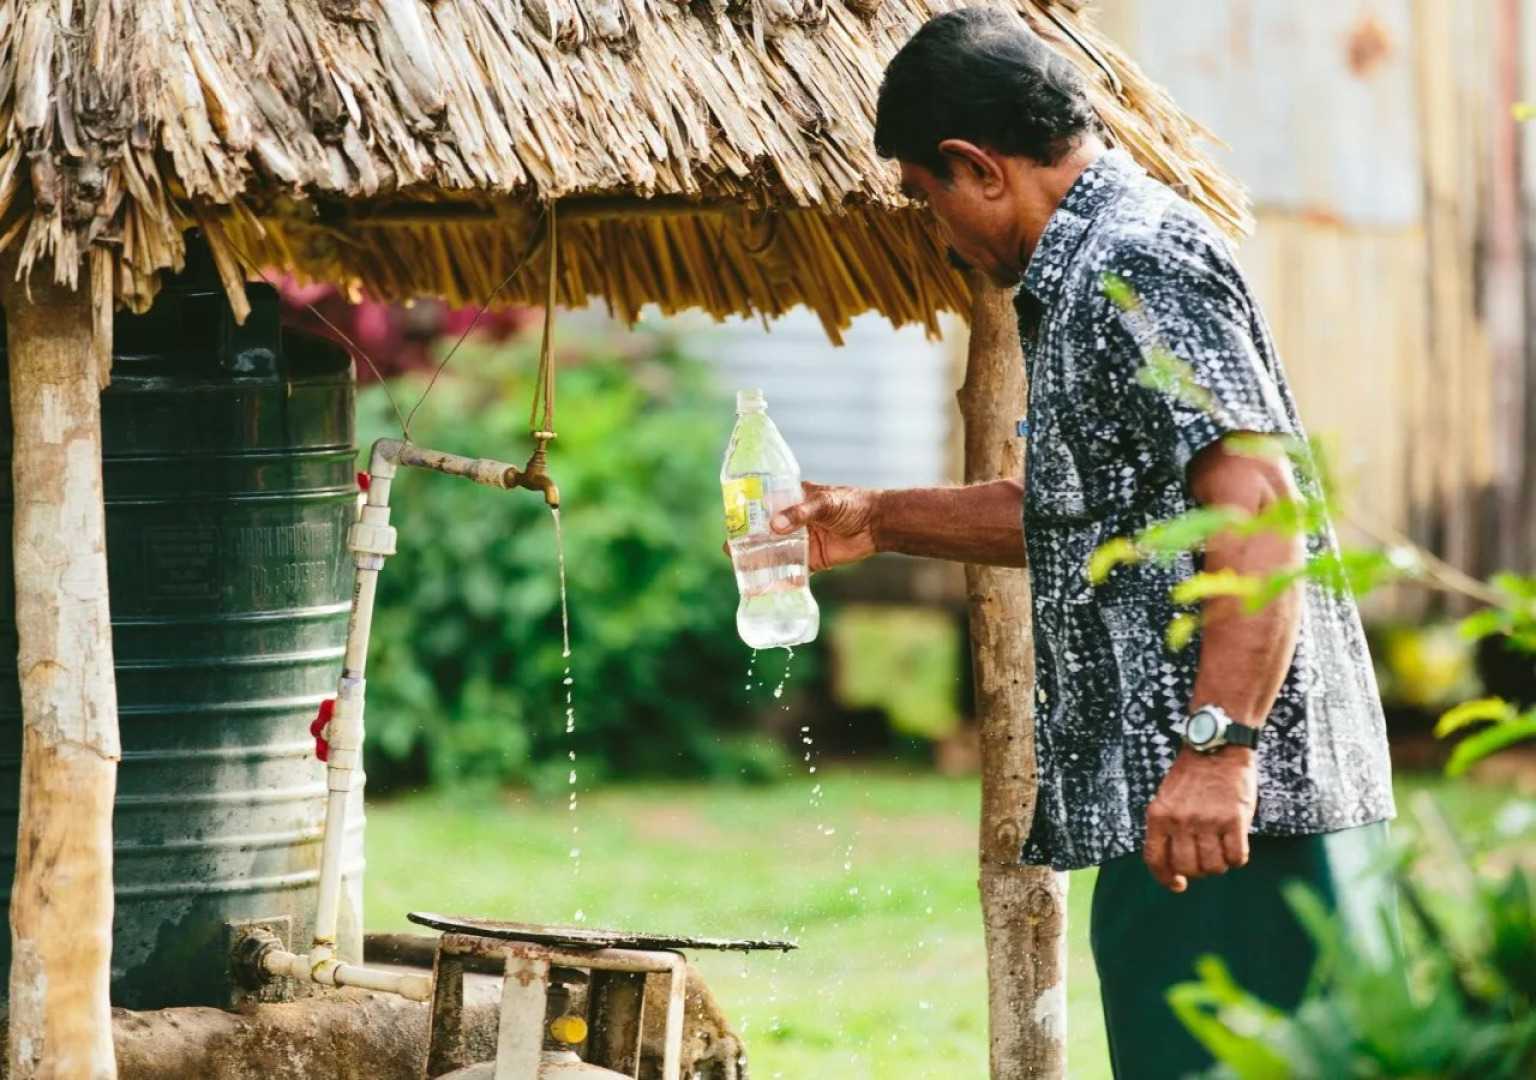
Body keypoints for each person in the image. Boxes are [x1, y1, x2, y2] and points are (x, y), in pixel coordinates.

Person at [771, 9, 1397, 1077]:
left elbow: (1257, 507)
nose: (939, 228)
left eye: (930, 197)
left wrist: (1218, 748)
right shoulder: (1087, 272)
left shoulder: (1138, 262)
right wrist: (876, 519)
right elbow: (1090, 512)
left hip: (1236, 820)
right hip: (1185, 814)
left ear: (977, 167)